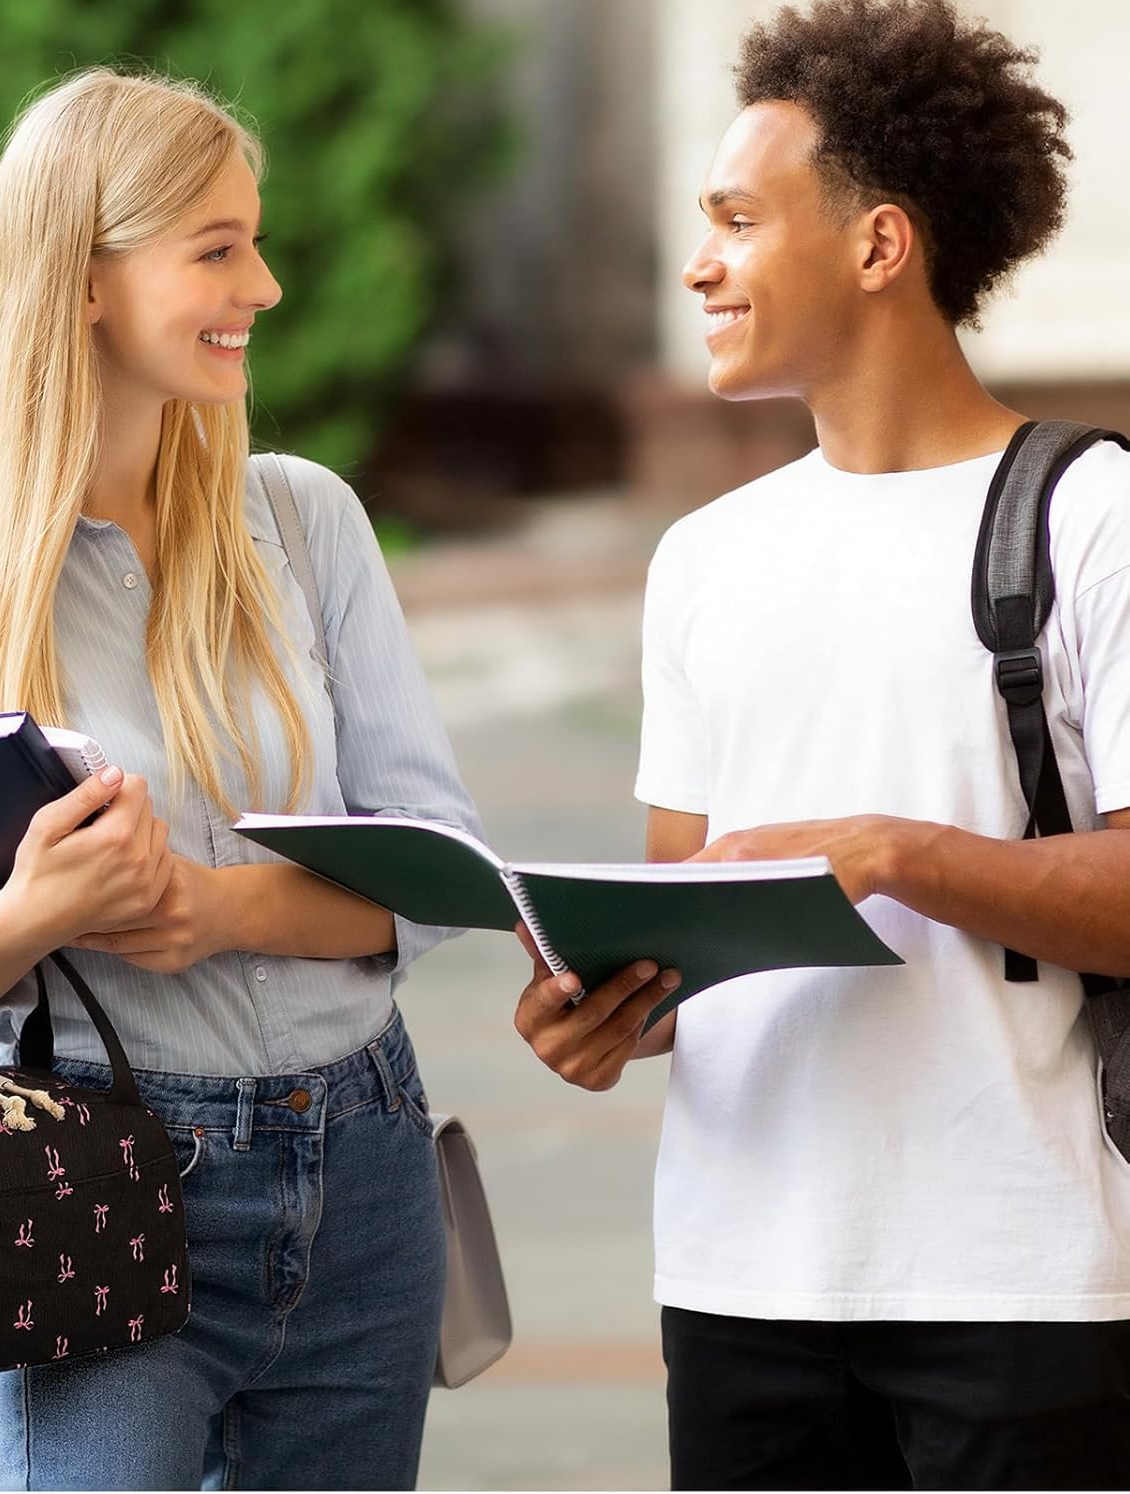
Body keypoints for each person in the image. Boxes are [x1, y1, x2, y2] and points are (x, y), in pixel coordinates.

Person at [0, 67, 480, 1492]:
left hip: (365, 1168)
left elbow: (437, 870)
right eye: (217, 249)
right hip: (95, 1180)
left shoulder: (303, 521)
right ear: (84, 280)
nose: (267, 287)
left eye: (257, 242)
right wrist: (36, 911)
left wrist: (216, 909)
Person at [512, 1, 1130, 1487]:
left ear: (878, 245)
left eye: (737, 219)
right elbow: (685, 920)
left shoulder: (1092, 516)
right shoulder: (702, 559)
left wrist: (894, 853)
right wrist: (606, 1011)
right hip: (740, 1280)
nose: (699, 263)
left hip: (1023, 1278)